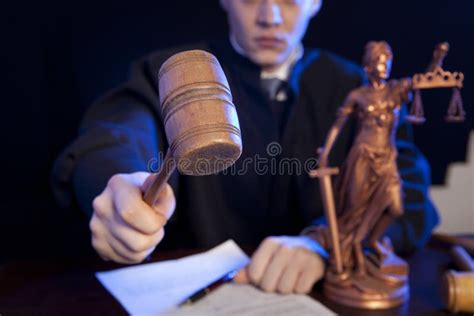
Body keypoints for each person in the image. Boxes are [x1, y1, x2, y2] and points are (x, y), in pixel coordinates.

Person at [52, 0, 438, 294]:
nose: (269, 16)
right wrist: (116, 184)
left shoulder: (355, 90)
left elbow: (410, 200)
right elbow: (115, 132)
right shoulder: (167, 71)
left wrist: (325, 243)